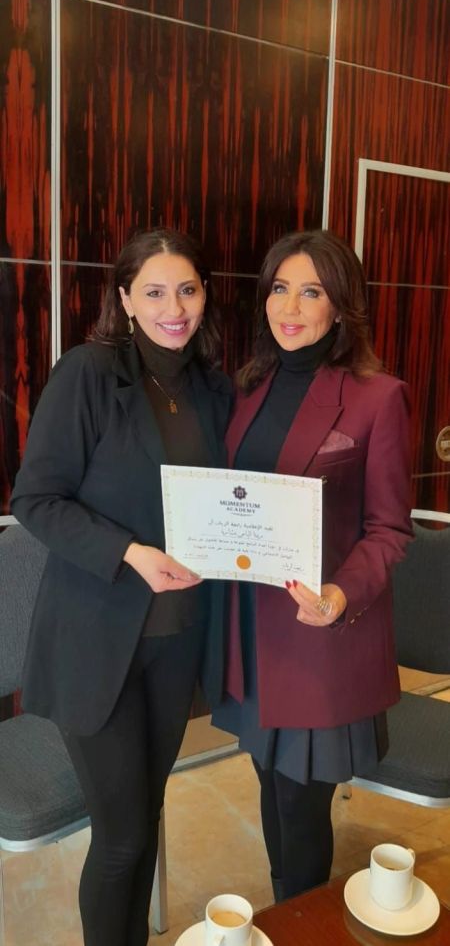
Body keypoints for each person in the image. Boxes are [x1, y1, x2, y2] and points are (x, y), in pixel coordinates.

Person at [11, 229, 232, 946]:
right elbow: (35, 499)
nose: (175, 308)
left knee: (146, 814)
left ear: (205, 295)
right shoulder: (88, 373)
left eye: (188, 289)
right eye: (155, 291)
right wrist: (130, 552)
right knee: (122, 837)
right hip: (94, 642)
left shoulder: (213, 388)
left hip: (176, 639)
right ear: (126, 299)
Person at [212, 229, 412, 902]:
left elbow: (389, 529)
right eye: (279, 288)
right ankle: (287, 913)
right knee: (269, 787)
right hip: (249, 634)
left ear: (341, 305)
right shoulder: (247, 389)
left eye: (311, 291)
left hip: (318, 637)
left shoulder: (377, 397)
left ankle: (298, 919)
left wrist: (339, 593)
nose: (290, 306)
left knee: (300, 810)